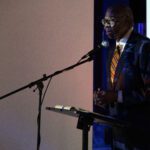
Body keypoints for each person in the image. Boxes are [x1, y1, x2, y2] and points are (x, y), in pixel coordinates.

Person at [94, 4, 150, 150]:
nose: (106, 26)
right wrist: (104, 98)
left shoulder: (144, 46)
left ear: (127, 21)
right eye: (104, 21)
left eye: (111, 21)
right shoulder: (113, 48)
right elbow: (117, 85)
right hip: (117, 131)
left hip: (140, 134)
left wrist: (116, 96)